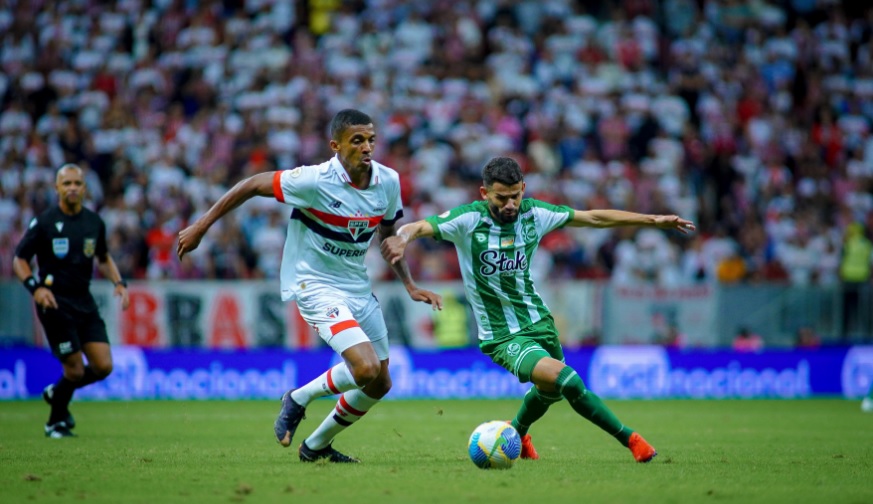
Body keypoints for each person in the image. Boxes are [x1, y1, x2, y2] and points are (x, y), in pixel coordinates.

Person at [381, 156, 696, 463]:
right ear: (484, 193)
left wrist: (654, 220)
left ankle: (517, 434)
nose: (510, 205)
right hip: (502, 334)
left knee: (550, 392)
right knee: (568, 381)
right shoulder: (469, 220)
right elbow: (418, 226)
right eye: (501, 198)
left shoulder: (535, 214)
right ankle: (632, 440)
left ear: (524, 189)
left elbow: (594, 218)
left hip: (539, 321)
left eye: (515, 196)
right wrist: (403, 239)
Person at [177, 109, 441, 463]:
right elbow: (252, 184)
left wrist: (409, 284)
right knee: (364, 368)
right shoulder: (314, 181)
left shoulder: (388, 181)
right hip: (315, 284)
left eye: (371, 140)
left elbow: (389, 236)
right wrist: (201, 226)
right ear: (335, 146)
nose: (367, 147)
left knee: (380, 382)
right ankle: (298, 397)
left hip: (357, 286)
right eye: (357, 140)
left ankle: (315, 445)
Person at [12, 164, 131, 438]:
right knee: (75, 370)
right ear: (57, 188)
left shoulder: (93, 223)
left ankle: (57, 391)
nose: (73, 188)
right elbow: (19, 259)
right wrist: (35, 288)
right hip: (55, 303)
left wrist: (119, 282)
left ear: (85, 188)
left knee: (103, 366)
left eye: (77, 183)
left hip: (84, 300)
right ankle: (55, 422)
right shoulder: (44, 223)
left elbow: (102, 257)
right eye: (67, 184)